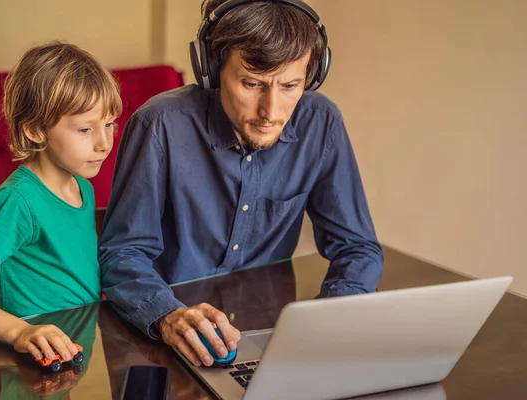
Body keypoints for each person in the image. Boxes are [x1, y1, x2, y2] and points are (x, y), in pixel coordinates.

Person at [99, 0, 383, 368]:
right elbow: (122, 254)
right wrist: (167, 315)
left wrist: (327, 321)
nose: (272, 111)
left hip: (267, 343)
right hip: (163, 349)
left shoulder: (321, 121)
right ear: (213, 69)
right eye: (252, 84)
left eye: (291, 86)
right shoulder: (159, 125)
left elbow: (358, 248)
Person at [0, 41, 122, 364]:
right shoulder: (17, 202)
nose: (104, 143)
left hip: (71, 351)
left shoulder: (82, 187)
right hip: (27, 362)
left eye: (109, 125)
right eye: (86, 129)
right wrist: (19, 332)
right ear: (34, 130)